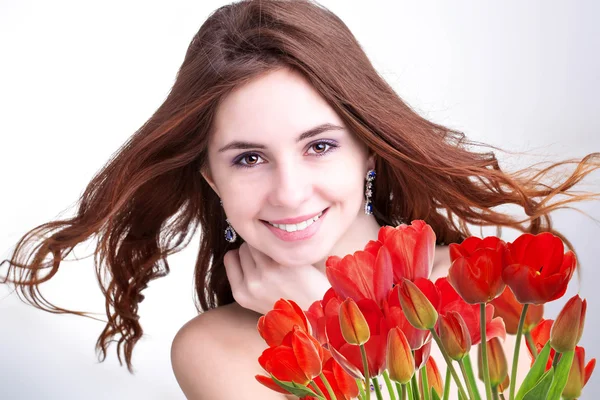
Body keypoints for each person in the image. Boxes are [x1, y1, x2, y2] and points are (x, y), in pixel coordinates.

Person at [2, 1, 598, 399]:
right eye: (248, 158)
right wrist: (315, 327)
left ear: (370, 149)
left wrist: (327, 316)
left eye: (319, 146)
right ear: (211, 179)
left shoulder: (491, 286)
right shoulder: (215, 350)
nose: (289, 192)